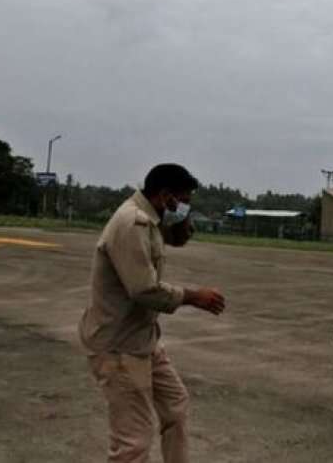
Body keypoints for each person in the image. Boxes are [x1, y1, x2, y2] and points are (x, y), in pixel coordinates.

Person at [78, 163, 226, 463]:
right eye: (184, 200)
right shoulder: (132, 223)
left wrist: (182, 218)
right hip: (118, 346)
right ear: (166, 195)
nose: (186, 206)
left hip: (143, 340)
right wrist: (194, 296)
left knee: (176, 406)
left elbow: (178, 238)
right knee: (133, 442)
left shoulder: (151, 217)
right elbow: (143, 289)